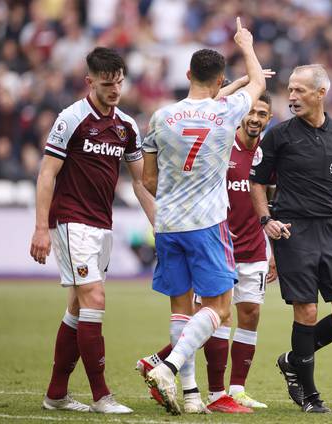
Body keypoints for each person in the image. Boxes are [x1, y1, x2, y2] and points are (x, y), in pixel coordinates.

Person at [141, 17, 265, 416]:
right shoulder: (227, 113)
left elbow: (147, 177)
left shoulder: (160, 117)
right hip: (207, 222)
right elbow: (258, 83)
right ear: (221, 78)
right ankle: (170, 367)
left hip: (167, 222)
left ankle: (192, 395)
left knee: (181, 308)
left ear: (188, 73)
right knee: (220, 308)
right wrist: (245, 43)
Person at [29, 47, 154, 414]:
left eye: (118, 82)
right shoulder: (71, 119)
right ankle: (102, 396)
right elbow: (47, 174)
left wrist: (159, 224)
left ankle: (56, 394)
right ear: (90, 81)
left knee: (77, 306)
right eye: (107, 83)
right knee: (95, 299)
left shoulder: (126, 126)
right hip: (70, 221)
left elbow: (140, 182)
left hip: (102, 224)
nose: (115, 89)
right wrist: (40, 227)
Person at [249, 64, 332, 413]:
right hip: (293, 230)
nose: (292, 96)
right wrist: (266, 220)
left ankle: (293, 359)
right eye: (290, 90)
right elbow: (257, 181)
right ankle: (310, 396)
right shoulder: (278, 135)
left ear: (320, 93)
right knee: (306, 310)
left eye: (300, 90)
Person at [199, 92, 277, 413]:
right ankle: (215, 393)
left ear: (269, 118)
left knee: (251, 315)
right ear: (242, 113)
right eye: (252, 112)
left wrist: (274, 250)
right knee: (215, 317)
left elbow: (271, 204)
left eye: (263, 113)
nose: (256, 118)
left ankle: (238, 389)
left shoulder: (269, 155)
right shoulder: (221, 145)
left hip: (255, 249)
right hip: (220, 248)